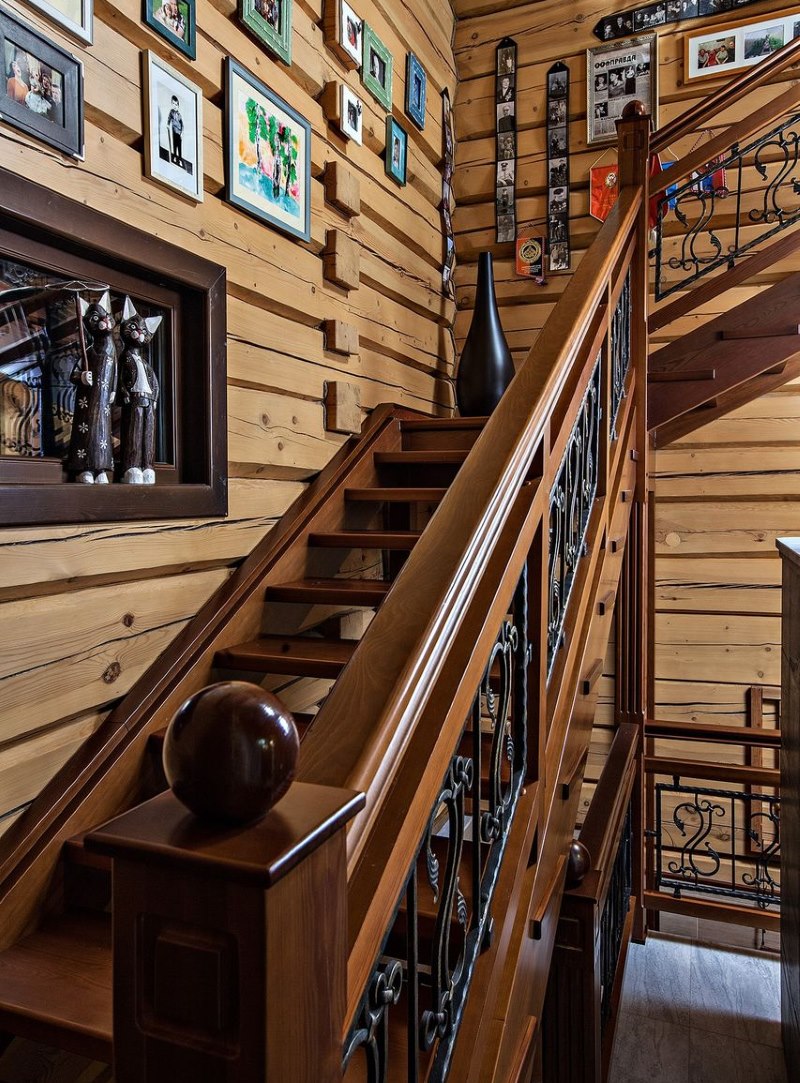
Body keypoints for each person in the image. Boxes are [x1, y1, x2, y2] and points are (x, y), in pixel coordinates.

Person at [166, 94, 183, 165]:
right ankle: (175, 156)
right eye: (173, 104)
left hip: (179, 132)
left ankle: (180, 159)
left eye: (176, 104)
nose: (175, 106)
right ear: (171, 104)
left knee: (179, 146)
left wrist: (181, 132)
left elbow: (182, 124)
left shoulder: (179, 115)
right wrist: (167, 124)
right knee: (174, 144)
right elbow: (169, 118)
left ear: (178, 106)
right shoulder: (171, 112)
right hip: (174, 131)